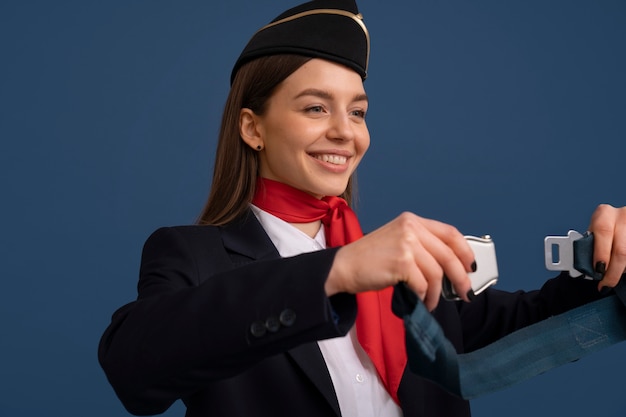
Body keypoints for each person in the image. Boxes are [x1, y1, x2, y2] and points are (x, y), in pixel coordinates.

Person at [98, 1, 626, 416]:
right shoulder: (190, 254)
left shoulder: (404, 264)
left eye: (357, 111)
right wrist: (335, 271)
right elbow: (134, 369)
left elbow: (536, 325)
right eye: (315, 108)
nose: (344, 132)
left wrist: (613, 268)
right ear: (252, 127)